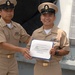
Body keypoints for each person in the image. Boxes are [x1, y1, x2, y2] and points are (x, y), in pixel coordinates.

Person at [27, 2, 70, 75]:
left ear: (54, 18)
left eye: (50, 15)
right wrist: (28, 53)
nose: (47, 18)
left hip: (53, 68)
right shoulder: (35, 33)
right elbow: (29, 48)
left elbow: (66, 50)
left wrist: (56, 52)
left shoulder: (60, 33)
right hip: (39, 68)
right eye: (44, 15)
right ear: (41, 18)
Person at [0, 0, 31, 75]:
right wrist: (21, 49)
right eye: (6, 10)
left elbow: (27, 39)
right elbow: (2, 44)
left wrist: (42, 43)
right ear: (0, 12)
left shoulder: (17, 26)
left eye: (11, 10)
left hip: (13, 61)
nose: (9, 13)